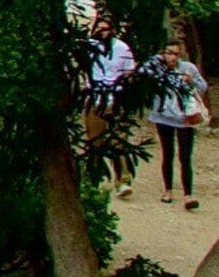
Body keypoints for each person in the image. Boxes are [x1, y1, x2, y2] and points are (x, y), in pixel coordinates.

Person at [145, 40, 211, 210]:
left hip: (184, 118)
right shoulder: (157, 68)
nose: (171, 57)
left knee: (185, 156)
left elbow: (203, 86)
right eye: (168, 52)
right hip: (163, 116)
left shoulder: (188, 68)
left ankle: (188, 194)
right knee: (168, 153)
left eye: (175, 53)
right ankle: (168, 191)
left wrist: (191, 81)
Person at [84, 18, 141, 193]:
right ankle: (93, 179)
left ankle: (123, 179)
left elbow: (129, 73)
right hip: (94, 99)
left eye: (106, 29)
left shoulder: (122, 49)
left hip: (115, 99)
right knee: (95, 140)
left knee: (118, 140)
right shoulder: (89, 47)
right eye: (99, 28)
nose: (102, 32)